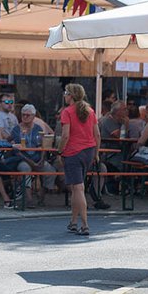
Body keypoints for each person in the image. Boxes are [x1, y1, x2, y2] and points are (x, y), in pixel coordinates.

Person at [61, 84, 97, 236]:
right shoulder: (90, 111)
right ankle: (74, 221)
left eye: (66, 93)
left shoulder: (67, 112)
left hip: (73, 151)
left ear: (70, 96)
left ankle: (85, 224)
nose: (64, 95)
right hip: (88, 150)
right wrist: (96, 153)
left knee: (78, 188)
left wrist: (59, 150)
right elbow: (97, 134)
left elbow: (65, 136)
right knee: (77, 188)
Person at [7, 104, 58, 207]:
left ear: (33, 116)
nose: (25, 117)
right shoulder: (17, 129)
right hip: (22, 158)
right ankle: (29, 199)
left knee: (50, 171)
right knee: (25, 169)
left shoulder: (38, 128)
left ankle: (42, 197)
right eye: (23, 115)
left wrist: (42, 160)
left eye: (28, 115)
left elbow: (43, 145)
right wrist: (31, 162)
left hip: (37, 157)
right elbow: (16, 150)